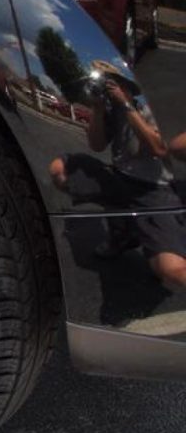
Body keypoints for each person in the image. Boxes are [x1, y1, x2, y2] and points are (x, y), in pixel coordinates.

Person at [49, 63, 186, 287]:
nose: (106, 90)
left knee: (172, 270)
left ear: (127, 88)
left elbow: (159, 149)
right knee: (59, 170)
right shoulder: (110, 113)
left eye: (110, 84)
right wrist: (98, 109)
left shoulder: (147, 111)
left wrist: (126, 104)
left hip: (153, 191)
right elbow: (96, 145)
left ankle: (145, 234)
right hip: (119, 178)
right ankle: (123, 233)